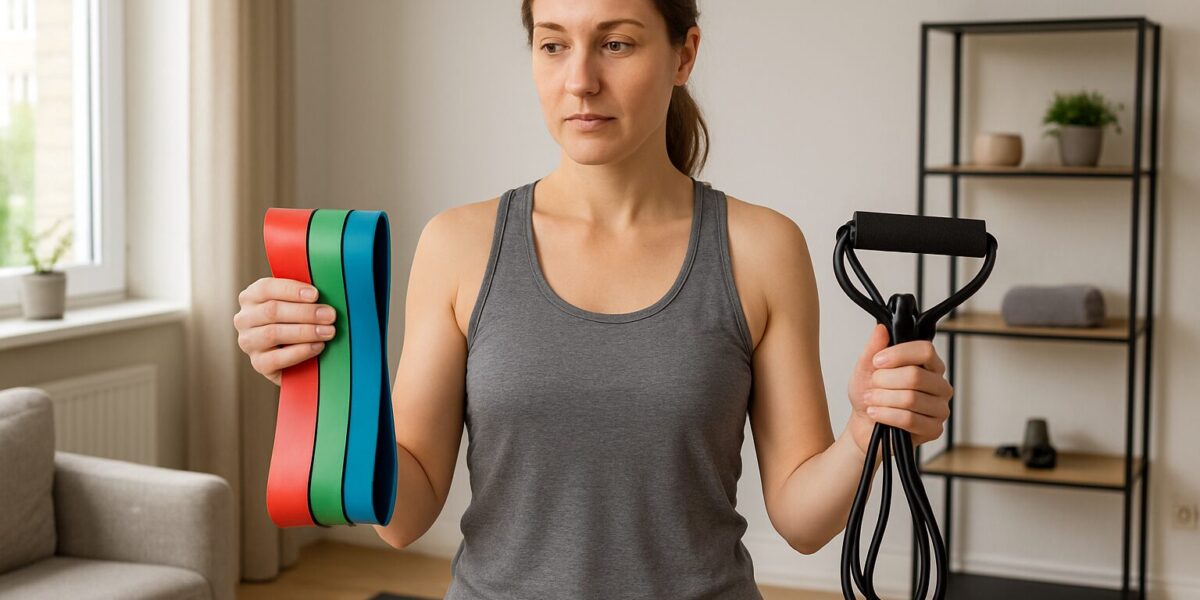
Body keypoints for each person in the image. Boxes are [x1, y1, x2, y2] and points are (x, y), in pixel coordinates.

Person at [233, 0, 953, 598]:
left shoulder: (761, 249)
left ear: (683, 54)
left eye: (616, 43)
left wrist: (868, 429)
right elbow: (405, 514)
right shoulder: (458, 244)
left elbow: (800, 518)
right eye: (552, 45)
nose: (580, 80)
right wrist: (321, 383)